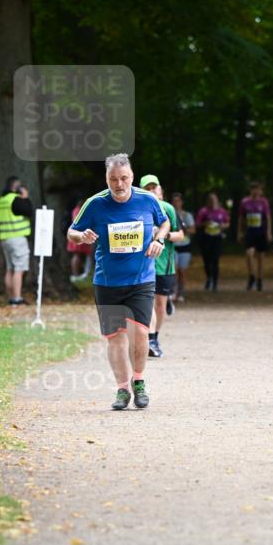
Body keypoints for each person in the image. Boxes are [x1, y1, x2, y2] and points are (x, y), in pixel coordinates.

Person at [68, 154, 170, 410]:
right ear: (107, 179)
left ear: (132, 177)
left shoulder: (147, 199)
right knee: (115, 338)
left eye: (124, 178)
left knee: (141, 333)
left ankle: (139, 381)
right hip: (107, 282)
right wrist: (81, 236)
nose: (119, 184)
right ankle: (122, 389)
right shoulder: (95, 203)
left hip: (141, 279)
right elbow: (72, 231)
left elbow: (165, 222)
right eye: (113, 179)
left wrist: (159, 239)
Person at [139, 175, 184, 357]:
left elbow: (181, 235)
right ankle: (150, 339)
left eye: (154, 187)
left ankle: (155, 336)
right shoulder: (136, 208)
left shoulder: (168, 209)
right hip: (143, 264)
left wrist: (164, 235)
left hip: (164, 265)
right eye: (147, 188)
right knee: (147, 301)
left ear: (160, 190)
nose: (151, 191)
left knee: (159, 303)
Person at [0, 175, 33, 305]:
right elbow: (29, 211)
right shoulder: (15, 200)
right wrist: (26, 197)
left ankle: (11, 298)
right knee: (19, 269)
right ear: (16, 187)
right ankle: (17, 299)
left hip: (5, 238)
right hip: (17, 238)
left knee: (9, 269)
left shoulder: (2, 200)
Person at [238, 182, 272, 291]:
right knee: (249, 253)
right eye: (254, 189)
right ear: (250, 190)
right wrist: (239, 232)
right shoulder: (245, 202)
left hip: (261, 232)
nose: (256, 191)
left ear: (260, 191)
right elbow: (241, 218)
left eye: (258, 189)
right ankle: (251, 276)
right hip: (250, 232)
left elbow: (268, 218)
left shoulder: (263, 202)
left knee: (260, 257)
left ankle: (259, 279)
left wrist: (268, 232)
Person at [196, 191, 230, 291]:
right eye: (210, 200)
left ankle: (215, 283)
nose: (212, 202)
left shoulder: (222, 211)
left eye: (214, 200)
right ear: (208, 201)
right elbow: (198, 223)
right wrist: (205, 223)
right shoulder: (203, 211)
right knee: (206, 260)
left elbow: (227, 223)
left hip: (217, 238)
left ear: (217, 200)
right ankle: (209, 277)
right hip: (206, 238)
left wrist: (223, 226)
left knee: (215, 260)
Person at [171, 192, 195, 301]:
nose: (176, 203)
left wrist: (183, 230)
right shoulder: (169, 214)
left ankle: (182, 292)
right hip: (173, 246)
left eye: (178, 201)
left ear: (182, 202)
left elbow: (193, 230)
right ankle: (173, 292)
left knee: (182, 271)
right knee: (174, 270)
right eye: (174, 201)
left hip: (185, 246)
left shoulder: (187, 215)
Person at [67, 198, 94, 281]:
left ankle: (80, 273)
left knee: (79, 255)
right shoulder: (79, 210)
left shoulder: (76, 210)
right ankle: (78, 274)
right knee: (78, 255)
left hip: (78, 235)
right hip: (79, 235)